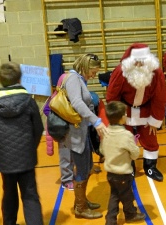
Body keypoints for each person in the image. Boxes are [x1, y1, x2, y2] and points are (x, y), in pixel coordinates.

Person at [0, 62, 44, 225]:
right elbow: (38, 128)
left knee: (8, 192)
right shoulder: (28, 100)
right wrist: (30, 147)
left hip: (4, 157)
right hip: (26, 155)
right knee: (30, 194)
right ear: (20, 79)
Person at [106, 43, 166, 182]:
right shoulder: (120, 72)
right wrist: (117, 118)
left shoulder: (156, 72)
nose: (140, 64)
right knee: (124, 139)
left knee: (150, 139)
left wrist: (155, 119)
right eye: (137, 61)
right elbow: (112, 96)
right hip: (125, 111)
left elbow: (160, 97)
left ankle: (150, 166)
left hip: (147, 109)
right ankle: (129, 167)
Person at [63, 53, 107, 219]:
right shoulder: (73, 79)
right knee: (82, 168)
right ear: (85, 67)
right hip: (76, 132)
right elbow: (77, 102)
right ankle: (80, 208)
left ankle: (81, 201)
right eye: (93, 72)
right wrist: (96, 121)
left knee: (87, 167)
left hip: (82, 130)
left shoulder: (79, 79)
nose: (94, 75)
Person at [100, 101, 146, 225]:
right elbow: (135, 154)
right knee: (127, 195)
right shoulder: (126, 135)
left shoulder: (106, 132)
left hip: (110, 173)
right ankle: (130, 214)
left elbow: (102, 150)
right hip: (123, 173)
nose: (126, 115)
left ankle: (111, 220)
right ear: (121, 119)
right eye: (125, 114)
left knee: (115, 195)